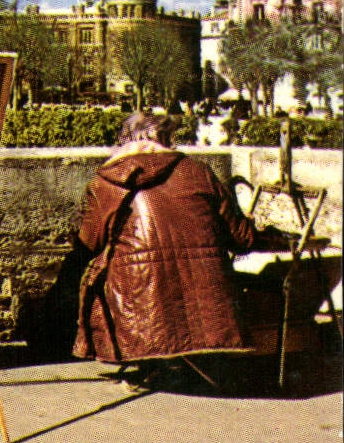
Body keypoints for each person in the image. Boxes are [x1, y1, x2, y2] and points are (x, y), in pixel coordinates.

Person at [72, 111, 267, 382]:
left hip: (138, 301)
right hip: (205, 292)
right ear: (167, 138)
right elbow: (241, 238)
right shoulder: (199, 171)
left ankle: (148, 360)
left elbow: (90, 242)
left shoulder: (105, 183)